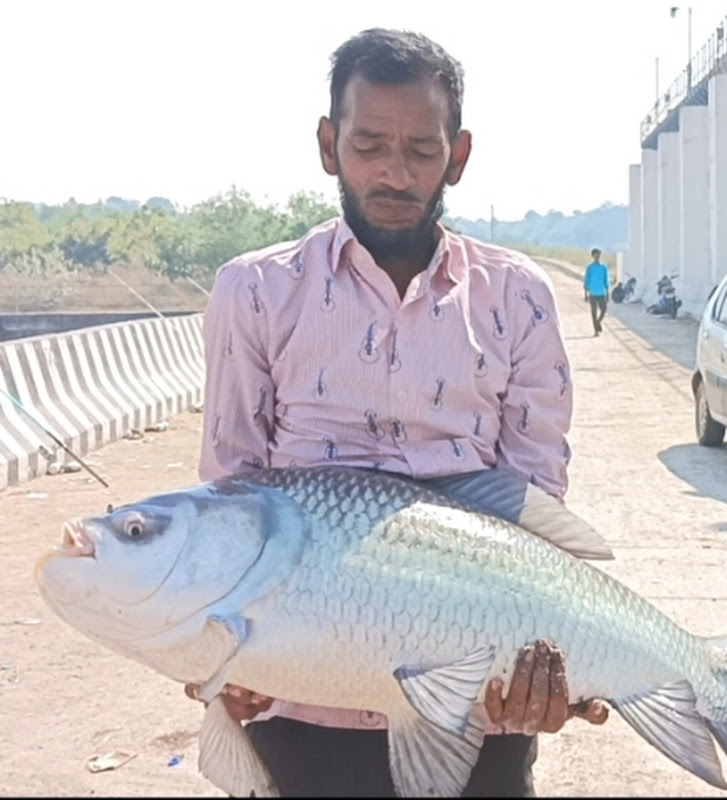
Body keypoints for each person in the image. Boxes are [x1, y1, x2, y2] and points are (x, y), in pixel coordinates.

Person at [188, 27, 607, 798]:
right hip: (303, 706)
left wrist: (553, 663)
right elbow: (232, 505)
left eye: (421, 149)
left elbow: (536, 505)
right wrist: (219, 660)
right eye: (370, 143)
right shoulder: (254, 293)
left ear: (459, 154)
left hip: (473, 710)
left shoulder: (518, 298)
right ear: (327, 144)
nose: (394, 172)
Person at [583, 248, 609, 336]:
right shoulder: (590, 268)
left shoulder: (603, 267)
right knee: (593, 312)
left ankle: (598, 322)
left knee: (604, 310)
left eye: (599, 255)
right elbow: (586, 280)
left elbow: (606, 280)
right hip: (593, 292)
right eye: (596, 255)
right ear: (593, 256)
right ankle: (596, 330)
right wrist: (585, 294)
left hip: (601, 292)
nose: (598, 257)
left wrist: (607, 293)